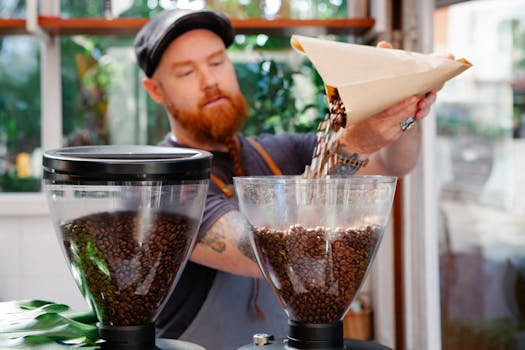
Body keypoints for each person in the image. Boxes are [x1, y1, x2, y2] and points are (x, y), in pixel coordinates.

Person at [134, 9, 443, 350]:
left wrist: (405, 107)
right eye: (186, 71)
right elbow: (261, 254)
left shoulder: (278, 154)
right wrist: (354, 143)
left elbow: (392, 162)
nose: (209, 80)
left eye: (217, 62)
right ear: (155, 90)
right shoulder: (163, 180)